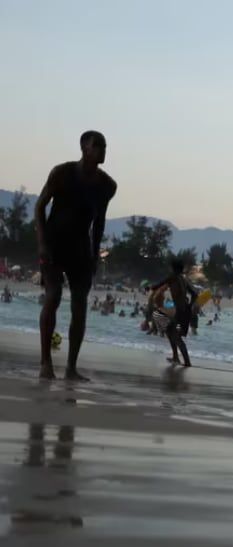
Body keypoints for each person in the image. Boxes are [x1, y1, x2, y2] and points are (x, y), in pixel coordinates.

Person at [35, 130, 118, 380]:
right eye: (97, 146)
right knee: (54, 296)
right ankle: (45, 363)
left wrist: (95, 255)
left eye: (105, 146)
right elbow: (40, 206)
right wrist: (41, 244)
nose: (102, 150)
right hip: (54, 243)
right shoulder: (61, 173)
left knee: (80, 306)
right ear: (84, 148)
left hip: (80, 248)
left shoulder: (107, 186)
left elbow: (99, 222)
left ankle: (71, 368)